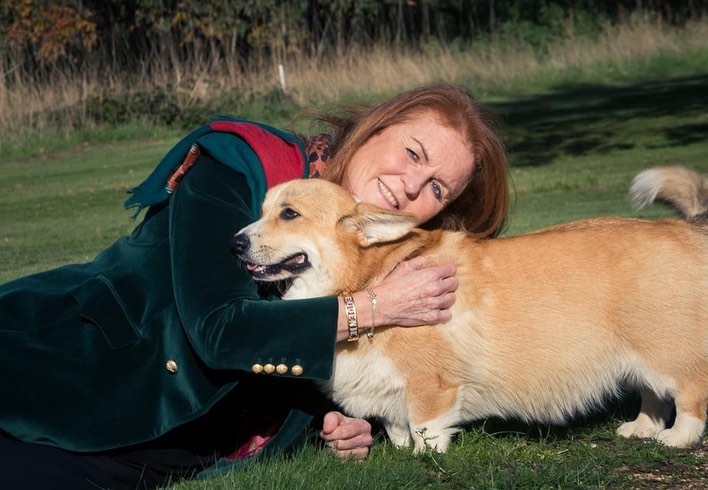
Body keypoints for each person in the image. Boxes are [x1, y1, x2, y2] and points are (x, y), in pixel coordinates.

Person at [0, 83, 510, 489]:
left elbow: (314, 368)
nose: (412, 185)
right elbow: (221, 329)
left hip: (173, 445)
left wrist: (344, 421)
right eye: (414, 153)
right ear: (377, 127)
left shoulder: (379, 256)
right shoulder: (243, 166)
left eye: (437, 188)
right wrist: (370, 308)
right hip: (68, 372)